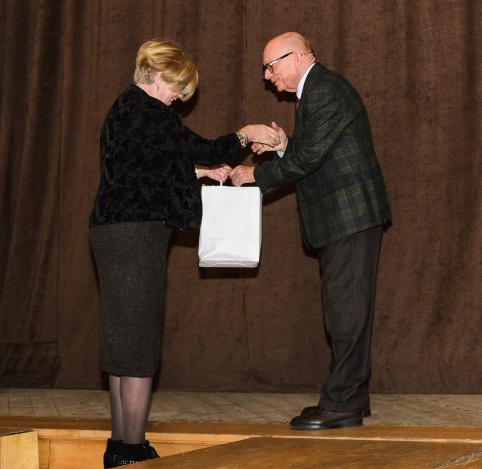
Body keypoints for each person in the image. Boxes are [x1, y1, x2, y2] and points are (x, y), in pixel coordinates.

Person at [89, 39, 279, 468]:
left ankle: (120, 445)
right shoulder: (148, 110)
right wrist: (247, 133)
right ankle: (132, 451)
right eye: (179, 88)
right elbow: (207, 148)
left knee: (124, 343)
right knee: (138, 342)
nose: (180, 98)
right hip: (135, 235)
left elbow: (146, 169)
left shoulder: (125, 108)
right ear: (160, 78)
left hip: (114, 231)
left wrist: (198, 172)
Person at [230, 32, 392, 431]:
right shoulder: (317, 91)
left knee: (346, 313)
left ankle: (342, 403)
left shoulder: (322, 91)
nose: (267, 76)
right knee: (346, 311)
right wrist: (284, 145)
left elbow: (309, 161)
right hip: (346, 218)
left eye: (271, 66)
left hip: (349, 216)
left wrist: (255, 176)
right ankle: (350, 396)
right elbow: (312, 153)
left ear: (299, 56)